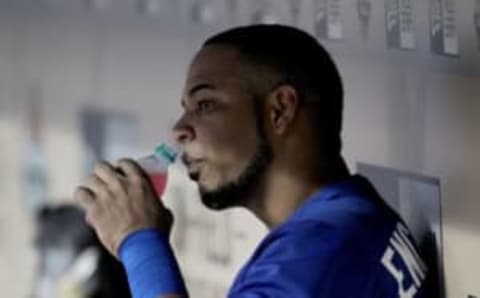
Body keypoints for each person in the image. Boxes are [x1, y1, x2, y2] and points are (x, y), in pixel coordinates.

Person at [75, 25, 431, 298]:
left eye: (205, 105)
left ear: (280, 110)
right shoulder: (349, 217)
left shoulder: (315, 254)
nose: (180, 129)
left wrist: (141, 245)